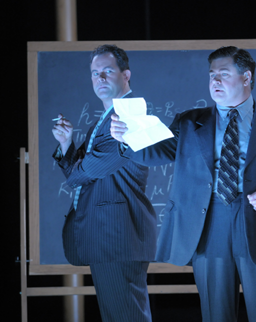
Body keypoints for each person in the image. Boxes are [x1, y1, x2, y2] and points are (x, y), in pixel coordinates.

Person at [111, 46, 256, 322]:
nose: (215, 81)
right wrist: (127, 139)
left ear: (246, 77)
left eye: (223, 74)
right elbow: (156, 152)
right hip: (207, 223)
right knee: (216, 314)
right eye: (212, 75)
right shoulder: (191, 121)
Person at [52, 44, 157, 322]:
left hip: (117, 236)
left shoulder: (126, 119)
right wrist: (66, 144)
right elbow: (82, 175)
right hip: (109, 236)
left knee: (126, 316)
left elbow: (79, 175)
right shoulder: (104, 121)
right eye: (95, 73)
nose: (99, 78)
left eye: (107, 71)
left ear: (126, 75)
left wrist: (74, 162)